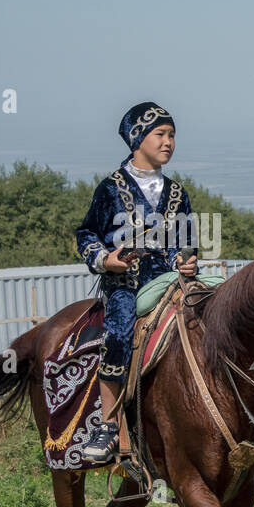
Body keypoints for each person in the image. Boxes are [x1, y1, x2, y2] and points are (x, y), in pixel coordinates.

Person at [76, 102, 198, 463]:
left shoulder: (178, 193)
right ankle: (109, 424)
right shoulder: (110, 188)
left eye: (172, 135)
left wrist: (186, 261)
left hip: (170, 281)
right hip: (125, 284)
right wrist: (106, 259)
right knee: (118, 330)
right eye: (160, 134)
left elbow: (186, 239)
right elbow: (87, 233)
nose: (169, 142)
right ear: (136, 139)